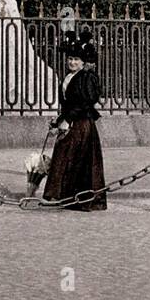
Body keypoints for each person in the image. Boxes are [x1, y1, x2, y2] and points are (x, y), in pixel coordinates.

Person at [43, 45, 107, 211]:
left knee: (75, 158)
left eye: (76, 60)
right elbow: (68, 105)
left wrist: (68, 119)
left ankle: (81, 199)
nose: (72, 62)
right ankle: (62, 196)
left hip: (82, 124)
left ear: (83, 62)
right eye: (70, 59)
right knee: (64, 154)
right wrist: (58, 121)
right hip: (71, 122)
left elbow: (86, 102)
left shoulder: (86, 77)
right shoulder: (68, 77)